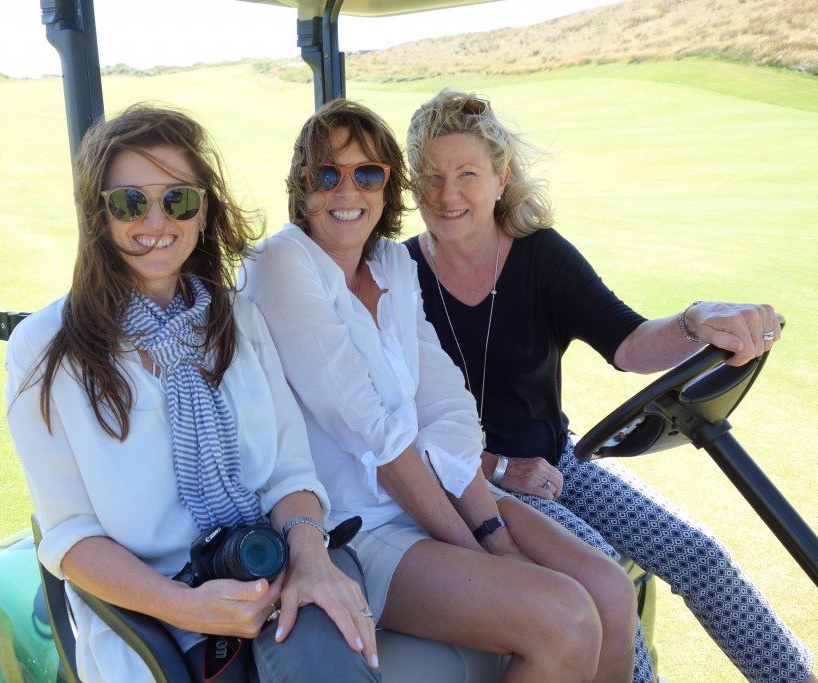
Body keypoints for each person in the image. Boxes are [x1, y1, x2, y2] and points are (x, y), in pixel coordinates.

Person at [403, 88, 816, 683]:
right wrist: (497, 468)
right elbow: (393, 420)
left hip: (560, 461)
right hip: (471, 486)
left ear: (501, 177)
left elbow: (627, 343)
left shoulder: (540, 256)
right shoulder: (399, 275)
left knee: (698, 554)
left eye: (466, 173)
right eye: (431, 177)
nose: (447, 194)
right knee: (602, 579)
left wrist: (696, 319)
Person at [242, 98, 639, 683]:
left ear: (388, 187)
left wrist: (489, 527)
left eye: (367, 174)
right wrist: (478, 550)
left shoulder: (391, 266)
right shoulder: (282, 263)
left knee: (608, 589)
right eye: (327, 174)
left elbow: (446, 405)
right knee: (567, 616)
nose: (347, 190)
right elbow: (370, 431)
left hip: (438, 498)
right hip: (360, 527)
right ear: (302, 187)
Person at [5, 103, 381, 683]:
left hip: (272, 565)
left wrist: (310, 560)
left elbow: (289, 469)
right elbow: (70, 534)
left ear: (202, 213)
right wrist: (188, 607)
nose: (157, 221)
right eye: (130, 202)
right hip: (151, 613)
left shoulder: (237, 317)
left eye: (177, 199)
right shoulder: (43, 350)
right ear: (99, 217)